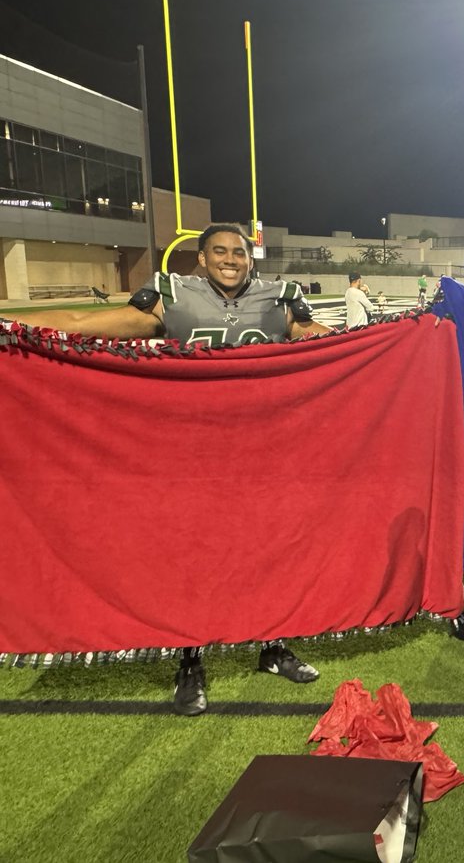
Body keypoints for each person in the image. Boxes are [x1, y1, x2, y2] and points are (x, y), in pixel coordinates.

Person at [9, 223, 330, 716]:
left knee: (269, 549)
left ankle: (273, 647)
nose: (230, 259)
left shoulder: (279, 296)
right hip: (191, 452)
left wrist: (392, 335)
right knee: (192, 557)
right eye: (219, 251)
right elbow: (96, 321)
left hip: (263, 449)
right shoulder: (172, 293)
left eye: (239, 252)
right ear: (200, 259)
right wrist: (12, 325)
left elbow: (319, 339)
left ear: (251, 257)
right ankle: (190, 660)